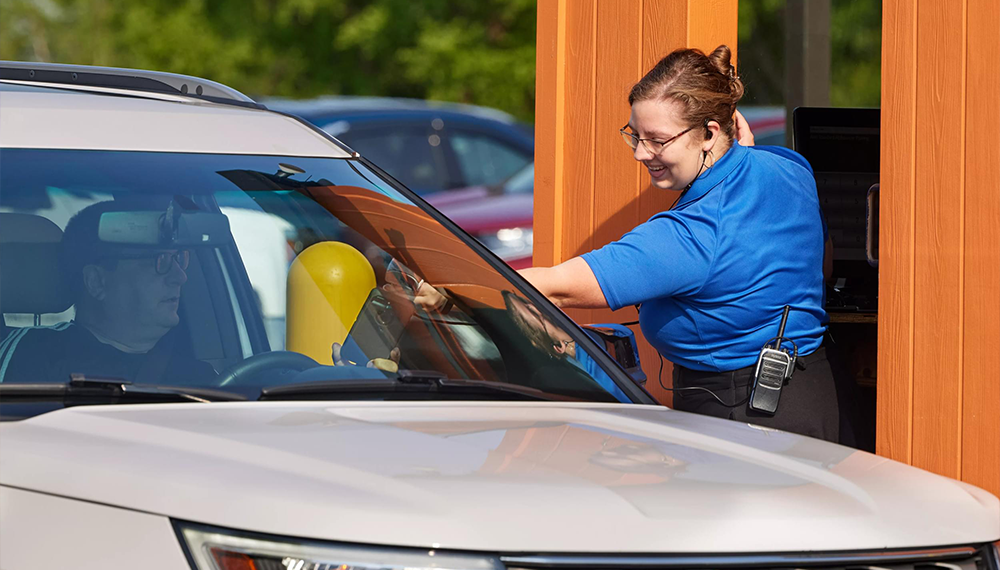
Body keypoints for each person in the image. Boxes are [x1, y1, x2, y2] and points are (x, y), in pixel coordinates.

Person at [519, 45, 856, 444]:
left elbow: (544, 286)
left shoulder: (690, 234)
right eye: (635, 135)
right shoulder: (789, 167)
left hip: (742, 415)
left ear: (710, 133)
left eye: (657, 140)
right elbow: (823, 266)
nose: (641, 153)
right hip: (820, 396)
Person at [0, 201, 217, 385]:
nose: (180, 277)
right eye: (159, 261)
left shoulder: (202, 380)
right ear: (96, 282)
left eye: (179, 259)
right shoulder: (34, 354)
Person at [503, 290, 630, 402]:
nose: (534, 305)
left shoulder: (599, 334)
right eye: (535, 315)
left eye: (526, 300)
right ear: (558, 347)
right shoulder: (592, 368)